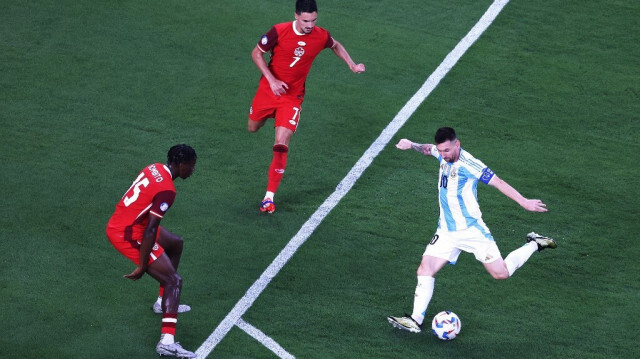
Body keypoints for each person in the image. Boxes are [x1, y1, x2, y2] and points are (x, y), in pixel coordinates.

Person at [387, 127, 557, 333]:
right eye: (441, 151)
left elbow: (499, 182)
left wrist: (524, 202)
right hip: (447, 231)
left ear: (457, 144)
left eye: (447, 150)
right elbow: (427, 149)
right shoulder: (441, 154)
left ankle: (534, 243)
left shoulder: (470, 165)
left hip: (472, 231)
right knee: (425, 269)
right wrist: (411, 144)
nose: (444, 155)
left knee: (501, 273)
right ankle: (415, 320)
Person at [248, 0, 366, 213]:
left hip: (293, 96)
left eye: (313, 20)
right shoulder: (279, 31)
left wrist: (352, 65)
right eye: (305, 20)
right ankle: (273, 115)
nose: (310, 25)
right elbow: (256, 53)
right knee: (253, 127)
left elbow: (335, 45)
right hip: (269, 90)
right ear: (296, 16)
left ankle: (268, 197)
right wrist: (272, 81)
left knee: (281, 142)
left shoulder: (320, 35)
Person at [105, 144, 198, 358]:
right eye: (191, 166)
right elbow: (150, 231)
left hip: (128, 220)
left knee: (176, 243)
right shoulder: (168, 190)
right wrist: (142, 265)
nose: (192, 171)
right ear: (181, 164)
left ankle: (161, 303)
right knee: (174, 280)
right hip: (129, 233)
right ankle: (166, 342)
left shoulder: (154, 168)